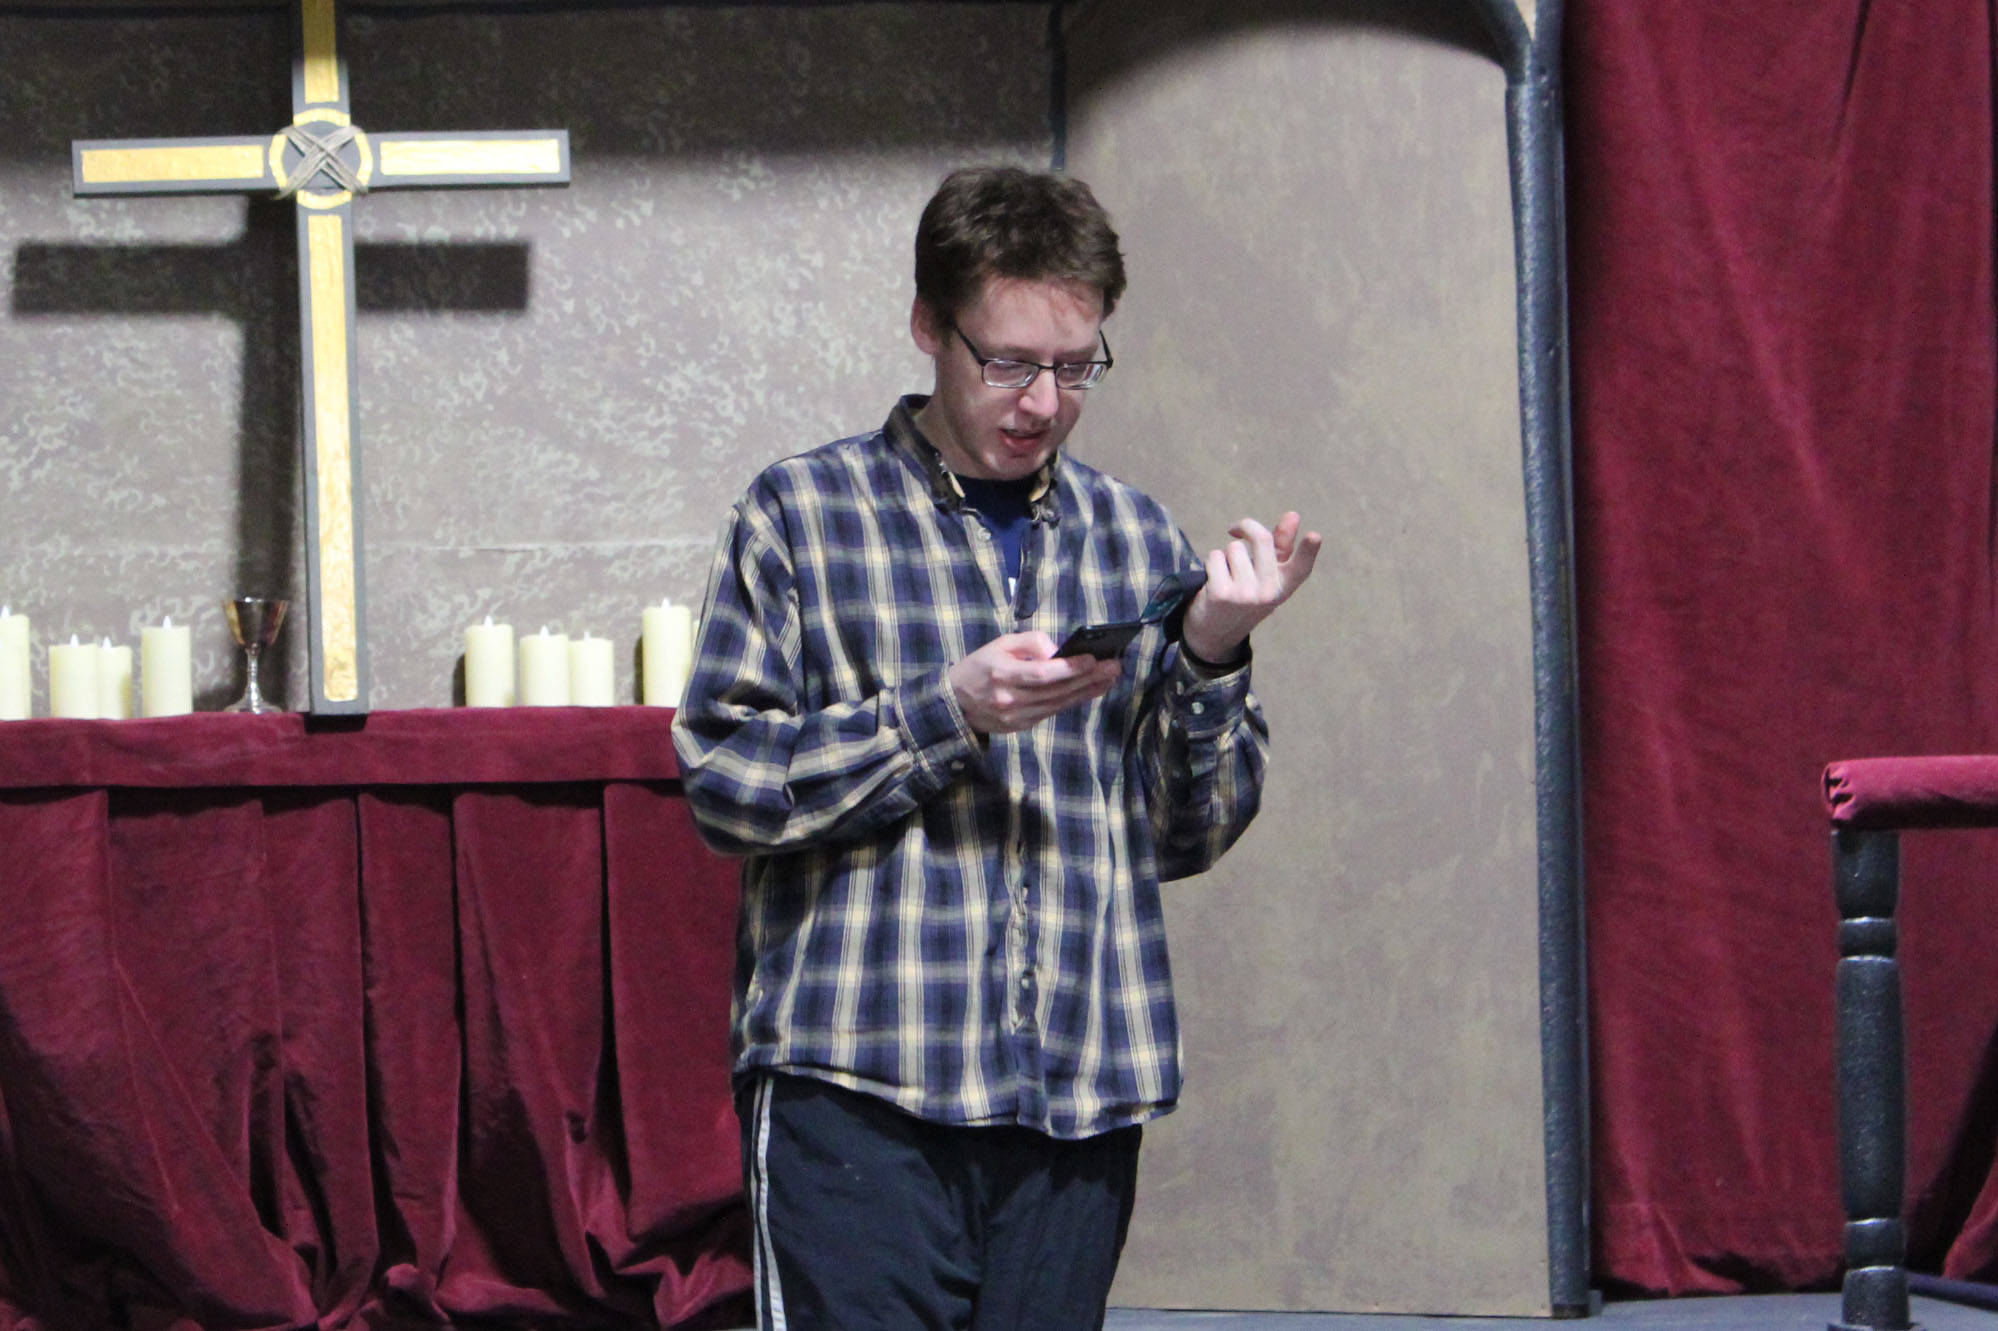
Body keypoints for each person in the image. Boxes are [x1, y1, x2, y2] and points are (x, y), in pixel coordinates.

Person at [670, 165, 1320, 1331]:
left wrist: (1214, 652)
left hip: (1080, 1092)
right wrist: (946, 712)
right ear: (930, 325)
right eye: (1008, 361)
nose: (1042, 402)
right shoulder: (803, 513)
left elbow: (1189, 828)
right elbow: (725, 783)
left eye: (1076, 367)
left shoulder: (1134, 533)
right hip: (858, 1094)